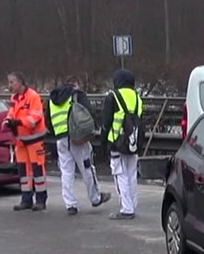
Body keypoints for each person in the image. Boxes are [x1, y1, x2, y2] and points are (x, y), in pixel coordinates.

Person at [48, 76, 111, 215]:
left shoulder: (52, 99)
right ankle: (95, 198)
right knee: (87, 168)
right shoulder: (77, 95)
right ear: (76, 84)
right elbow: (89, 113)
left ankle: (70, 204)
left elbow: (48, 121)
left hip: (61, 139)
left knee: (66, 172)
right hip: (78, 139)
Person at [101, 68, 143, 220]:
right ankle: (132, 204)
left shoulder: (113, 96)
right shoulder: (137, 97)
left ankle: (126, 209)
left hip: (116, 142)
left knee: (120, 174)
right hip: (133, 142)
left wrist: (103, 144)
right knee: (132, 174)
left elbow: (106, 123)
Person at [5, 71, 50, 211]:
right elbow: (11, 113)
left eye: (12, 82)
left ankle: (41, 199)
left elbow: (35, 118)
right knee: (24, 172)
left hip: (34, 139)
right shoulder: (15, 98)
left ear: (20, 82)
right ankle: (26, 199)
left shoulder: (33, 96)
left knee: (37, 170)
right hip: (21, 140)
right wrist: (7, 121)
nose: (10, 85)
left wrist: (18, 122)